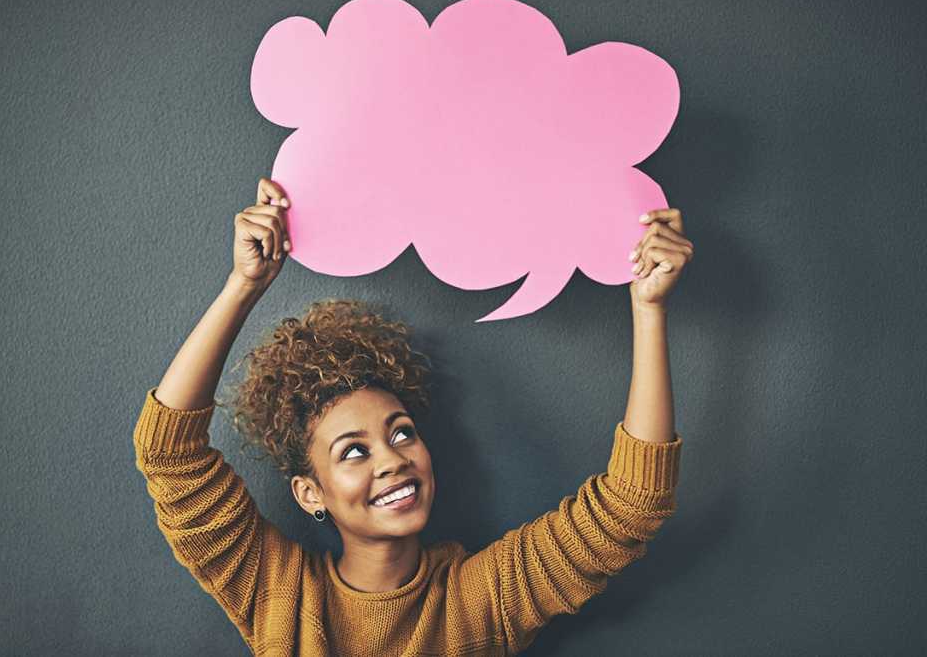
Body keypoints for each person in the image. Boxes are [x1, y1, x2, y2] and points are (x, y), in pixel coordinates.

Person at [132, 177, 693, 655]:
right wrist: (244, 285)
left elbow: (632, 505)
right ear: (310, 492)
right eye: (354, 451)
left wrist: (649, 307)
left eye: (401, 433)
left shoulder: (480, 601)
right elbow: (168, 453)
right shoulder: (279, 595)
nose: (393, 460)